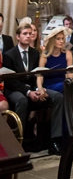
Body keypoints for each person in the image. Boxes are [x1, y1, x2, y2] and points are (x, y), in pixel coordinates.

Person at [3, 23, 64, 154]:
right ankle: (19, 142)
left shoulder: (35, 53)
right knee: (22, 100)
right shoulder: (9, 55)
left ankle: (55, 140)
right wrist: (28, 92)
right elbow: (11, 81)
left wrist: (39, 88)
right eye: (25, 34)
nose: (28, 36)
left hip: (33, 88)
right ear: (18, 37)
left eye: (30, 34)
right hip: (15, 90)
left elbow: (38, 73)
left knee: (58, 97)